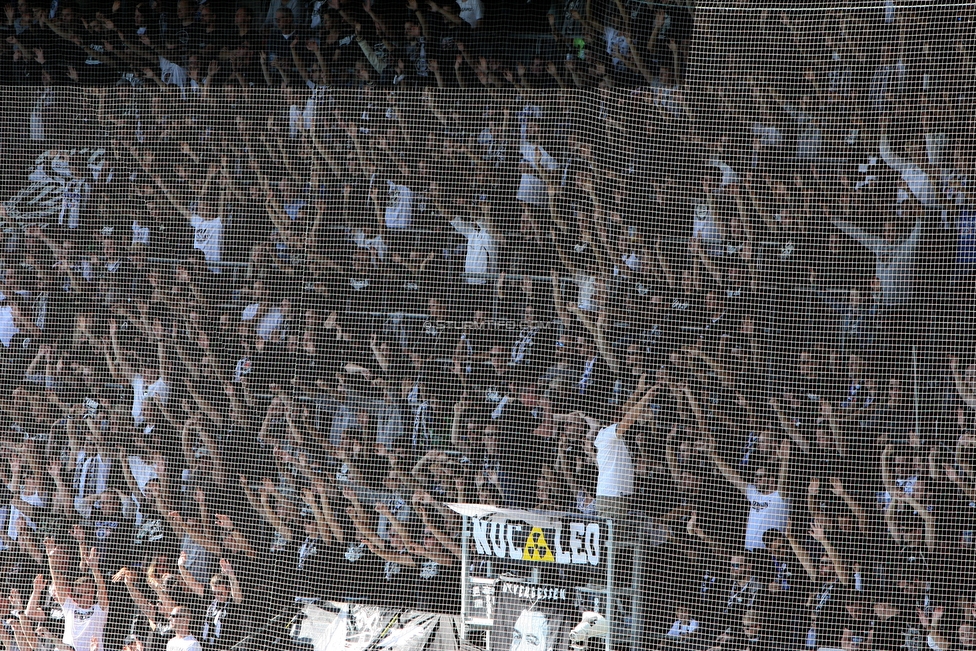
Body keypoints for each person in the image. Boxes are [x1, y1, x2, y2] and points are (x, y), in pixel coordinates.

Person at [45, 539, 110, 651]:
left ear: (93, 593)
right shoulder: (70, 606)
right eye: (80, 594)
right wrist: (51, 558)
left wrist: (94, 568)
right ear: (74, 596)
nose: (85, 597)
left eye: (87, 592)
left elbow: (102, 590)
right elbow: (57, 579)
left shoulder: (99, 610)